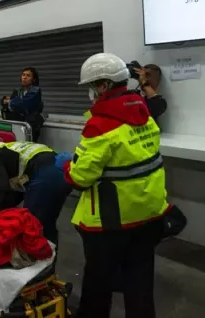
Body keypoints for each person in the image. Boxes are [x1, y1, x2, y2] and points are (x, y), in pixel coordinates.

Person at [56, 52, 169, 318]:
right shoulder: (144, 114)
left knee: (98, 284)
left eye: (91, 86)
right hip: (149, 213)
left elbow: (80, 178)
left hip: (111, 221)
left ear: (103, 85)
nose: (90, 93)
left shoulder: (100, 125)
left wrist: (68, 166)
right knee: (139, 283)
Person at [0, 142, 71, 245]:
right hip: (63, 169)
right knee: (47, 221)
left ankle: (40, 252)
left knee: (33, 224)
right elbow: (15, 194)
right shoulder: (14, 150)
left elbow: (2, 186)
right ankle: (49, 251)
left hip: (46, 174)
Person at [1, 67, 45, 142]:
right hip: (18, 124)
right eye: (23, 75)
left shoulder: (35, 90)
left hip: (31, 125)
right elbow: (6, 104)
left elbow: (23, 104)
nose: (24, 77)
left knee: (29, 145)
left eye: (28, 75)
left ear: (33, 79)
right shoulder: (17, 91)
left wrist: (10, 102)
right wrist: (7, 102)